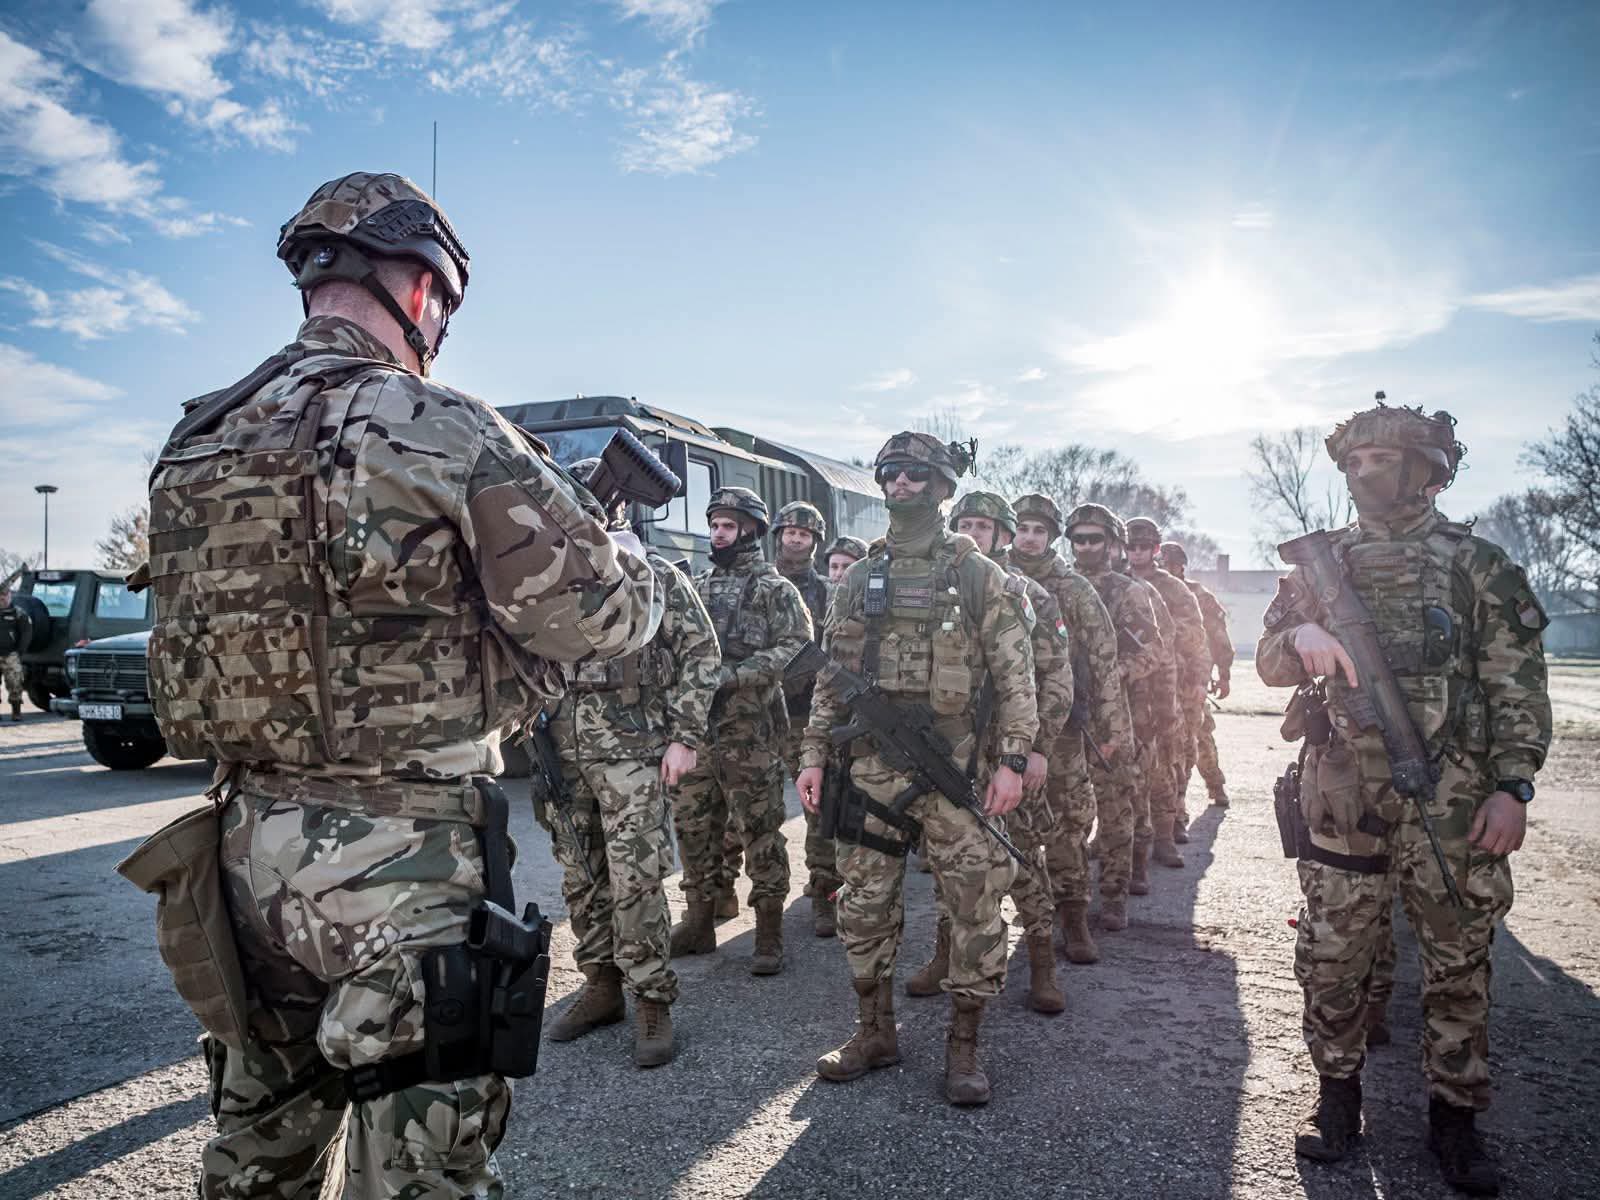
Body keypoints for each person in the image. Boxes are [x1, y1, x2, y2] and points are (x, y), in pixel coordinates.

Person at [138, 171, 660, 1198]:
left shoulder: (195, 436)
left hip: (241, 855)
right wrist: (626, 552)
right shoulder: (439, 424)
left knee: (255, 1155)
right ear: (422, 291)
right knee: (421, 1174)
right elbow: (603, 619)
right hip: (403, 867)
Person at [1257, 401, 1550, 1194]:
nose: (1360, 474)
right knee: (1332, 955)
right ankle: (1337, 1099)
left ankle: (1455, 1118)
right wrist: (1299, 640)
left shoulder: (1475, 563)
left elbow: (1516, 685)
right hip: (1343, 793)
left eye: (1378, 459)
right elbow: (1266, 658)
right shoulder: (1322, 566)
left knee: (1459, 958)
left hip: (1453, 798)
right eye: (1351, 463)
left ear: (1426, 468)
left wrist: (1513, 786)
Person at [797, 433, 1037, 1106]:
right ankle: (874, 1032)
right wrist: (813, 755)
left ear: (941, 488)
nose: (900, 484)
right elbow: (828, 679)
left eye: (915, 475)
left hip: (954, 770)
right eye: (891, 473)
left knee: (974, 908)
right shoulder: (854, 577)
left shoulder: (979, 575)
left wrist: (1013, 760)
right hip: (867, 770)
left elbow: (1019, 679)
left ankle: (965, 1047)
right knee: (865, 904)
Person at [539, 458, 721, 1067]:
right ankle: (601, 985)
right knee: (580, 872)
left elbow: (701, 652)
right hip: (562, 749)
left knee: (635, 877)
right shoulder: (542, 577)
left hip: (635, 747)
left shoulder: (652, 572)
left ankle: (651, 1000)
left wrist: (685, 735)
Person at [904, 491, 1070, 1013]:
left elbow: (1055, 678)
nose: (974, 533)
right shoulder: (936, 590)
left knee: (1022, 860)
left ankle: (1042, 962)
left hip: (1008, 756)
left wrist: (1035, 750)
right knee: (951, 862)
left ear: (1002, 534)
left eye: (985, 526)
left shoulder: (1030, 594)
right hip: (952, 757)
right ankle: (946, 956)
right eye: (966, 523)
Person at [670, 487, 811, 974]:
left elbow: (798, 645)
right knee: (693, 830)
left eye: (727, 525)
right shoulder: (699, 586)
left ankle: (769, 932)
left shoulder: (776, 590)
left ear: (750, 529)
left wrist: (739, 673)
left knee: (760, 832)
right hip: (699, 735)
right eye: (713, 525)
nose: (718, 533)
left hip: (751, 735)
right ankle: (699, 922)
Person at [1009, 494, 1134, 939]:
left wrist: (1115, 728)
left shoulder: (1074, 589)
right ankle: (1032, 918)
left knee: (1070, 821)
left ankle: (1073, 913)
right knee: (1014, 827)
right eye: (1022, 528)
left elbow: (1104, 662)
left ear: (1051, 537)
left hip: (1062, 725)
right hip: (1004, 727)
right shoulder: (994, 578)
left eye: (1039, 530)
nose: (1029, 538)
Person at [1064, 504, 1164, 901]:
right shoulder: (1061, 585)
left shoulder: (1129, 591)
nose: (1087, 546)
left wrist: (1116, 672)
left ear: (1111, 542)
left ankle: (1113, 893)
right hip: (1068, 710)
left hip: (1116, 713)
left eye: (1095, 538)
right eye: (1079, 538)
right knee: (1067, 808)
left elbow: (1154, 650)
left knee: (1117, 806)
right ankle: (1068, 894)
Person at [772, 500, 840, 937]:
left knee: (818, 809)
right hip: (757, 713)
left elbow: (834, 652)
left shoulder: (826, 592)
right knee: (750, 811)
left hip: (804, 715)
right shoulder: (761, 582)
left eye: (804, 534)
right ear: (777, 536)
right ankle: (719, 896)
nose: (795, 539)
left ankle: (823, 890)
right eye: (790, 532)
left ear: (815, 541)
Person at [1125, 517, 1210, 846]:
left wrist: (1197, 680)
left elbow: (1196, 638)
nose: (1136, 554)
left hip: (1171, 683)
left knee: (1172, 754)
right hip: (1129, 684)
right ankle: (1119, 832)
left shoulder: (1174, 588)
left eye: (1143, 547)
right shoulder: (1115, 581)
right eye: (1130, 547)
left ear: (1155, 549)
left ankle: (1171, 822)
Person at [1160, 540, 1233, 807]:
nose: (1164, 569)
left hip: (1192, 680)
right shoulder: (1148, 590)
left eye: (1169, 564)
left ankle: (1215, 784)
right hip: (1159, 682)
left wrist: (1223, 674)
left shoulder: (1198, 595)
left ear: (1180, 566)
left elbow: (1218, 636)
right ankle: (1169, 804)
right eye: (1161, 563)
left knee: (1200, 735)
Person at [0, 584, 31, 721]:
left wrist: (19, 652)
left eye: (5, 596)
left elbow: (26, 633)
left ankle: (16, 711)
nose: (3, 599)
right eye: (0, 597)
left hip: (11, 654)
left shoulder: (18, 614)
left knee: (15, 683)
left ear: (10, 595)